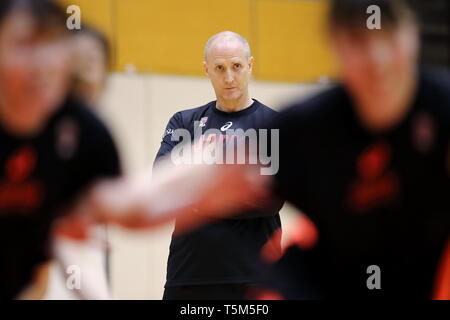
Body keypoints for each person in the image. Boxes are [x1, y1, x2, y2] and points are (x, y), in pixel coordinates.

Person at [0, 0, 267, 300]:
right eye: (25, 43)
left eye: (51, 45)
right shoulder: (183, 122)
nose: (42, 62)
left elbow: (121, 204)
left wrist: (198, 177)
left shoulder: (84, 132)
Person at [262, 0, 450, 299]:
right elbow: (200, 182)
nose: (377, 59)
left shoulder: (440, 109)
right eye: (358, 41)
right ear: (335, 45)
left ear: (413, 33)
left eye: (388, 35)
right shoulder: (306, 125)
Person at [155, 31, 283, 300]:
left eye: (236, 66)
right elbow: (162, 182)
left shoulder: (274, 125)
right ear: (206, 70)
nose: (229, 77)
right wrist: (237, 182)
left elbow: (271, 199)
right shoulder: (184, 123)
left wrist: (198, 183)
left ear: (250, 65)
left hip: (256, 276)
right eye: (220, 68)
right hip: (189, 274)